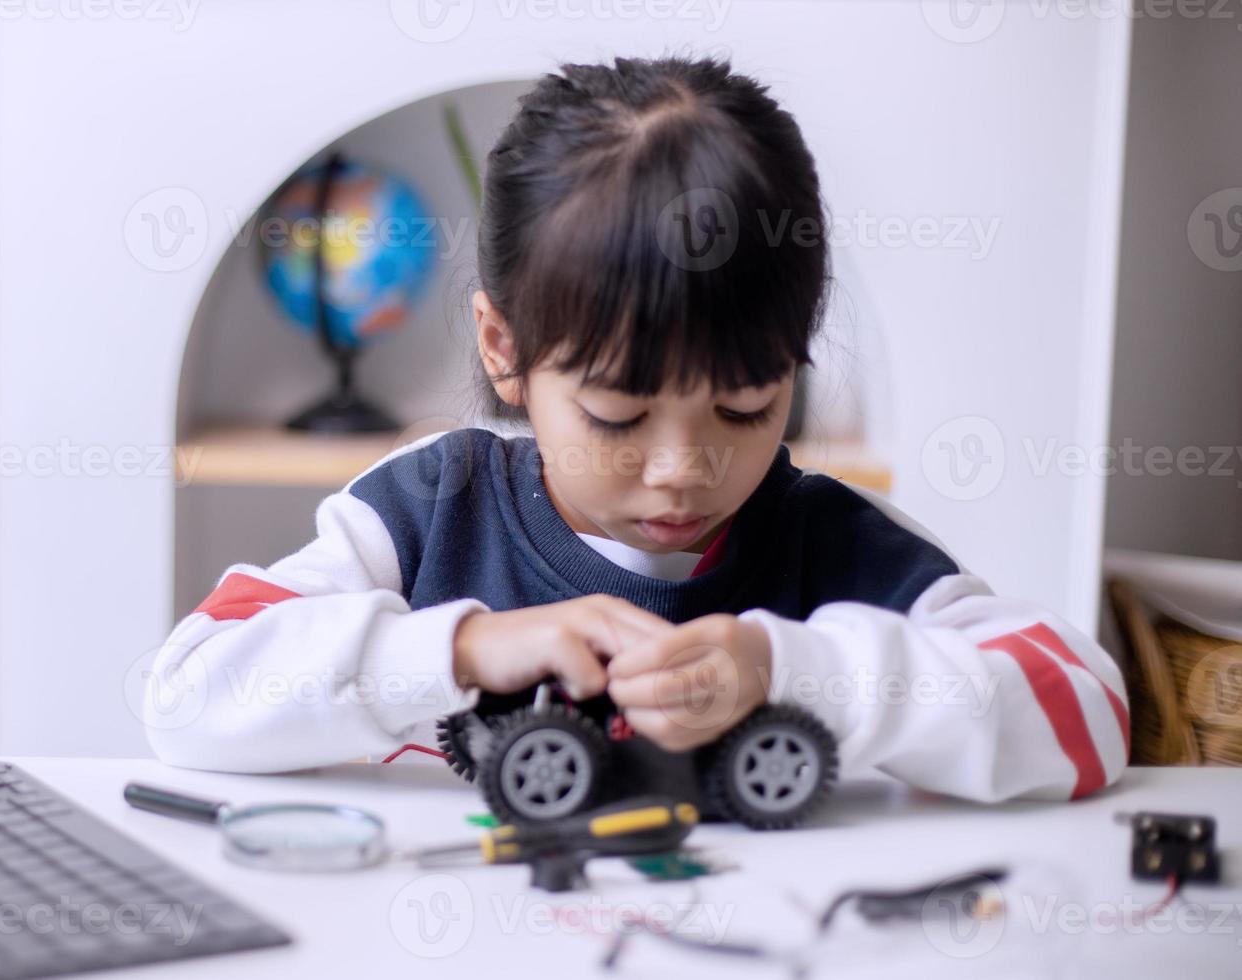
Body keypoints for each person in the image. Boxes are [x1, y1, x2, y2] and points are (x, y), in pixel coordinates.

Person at [144, 55, 1127, 803]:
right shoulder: (425, 510)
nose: (681, 468)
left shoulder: (830, 542)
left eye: (744, 407)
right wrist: (462, 650)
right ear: (504, 347)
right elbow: (184, 693)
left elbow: (1089, 712)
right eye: (616, 414)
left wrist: (789, 669)